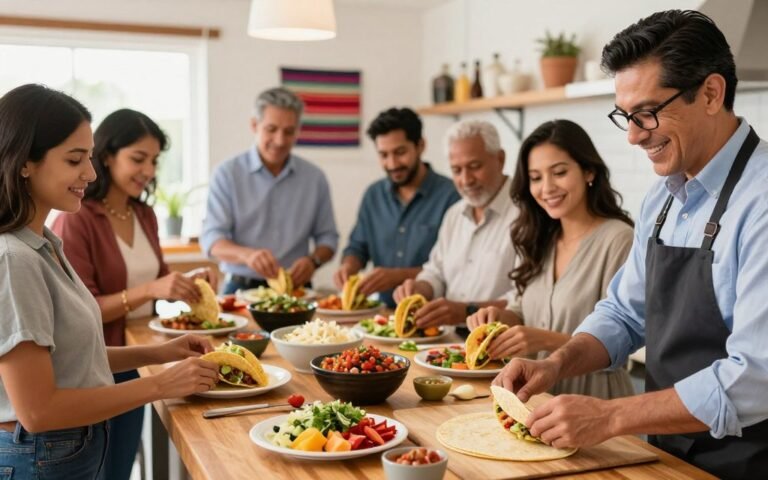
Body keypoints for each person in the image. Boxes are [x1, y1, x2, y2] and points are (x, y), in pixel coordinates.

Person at [492, 10, 768, 479]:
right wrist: (557, 364)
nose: (635, 135)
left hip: (745, 462)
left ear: (711, 93)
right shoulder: (664, 194)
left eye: (647, 113)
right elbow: (624, 312)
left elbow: (756, 378)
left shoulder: (760, 201)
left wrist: (611, 415)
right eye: (626, 115)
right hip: (665, 453)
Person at [0, 84, 218, 479]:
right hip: (41, 455)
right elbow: (37, 411)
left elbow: (73, 356)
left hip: (66, 449)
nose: (91, 172)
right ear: (24, 162)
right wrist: (160, 385)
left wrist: (160, 354)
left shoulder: (44, 244)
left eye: (89, 157)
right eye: (74, 160)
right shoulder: (13, 259)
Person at [467, 119, 635, 400]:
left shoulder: (619, 240)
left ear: (588, 171)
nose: (546, 188)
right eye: (535, 177)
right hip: (532, 402)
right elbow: (522, 309)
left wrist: (543, 339)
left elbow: (624, 344)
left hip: (593, 403)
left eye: (558, 172)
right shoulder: (539, 237)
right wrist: (501, 319)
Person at [201, 87, 339, 294]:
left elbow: (328, 238)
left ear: (298, 131)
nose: (280, 140)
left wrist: (314, 261)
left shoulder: (315, 178)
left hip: (297, 290)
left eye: (289, 131)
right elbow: (212, 239)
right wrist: (247, 255)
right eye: (271, 129)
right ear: (254, 125)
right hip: (240, 289)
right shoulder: (227, 174)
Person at [393, 120, 516, 328]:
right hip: (447, 342)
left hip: (499, 345)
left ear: (500, 159)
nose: (466, 179)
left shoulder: (527, 216)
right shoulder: (454, 214)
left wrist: (463, 312)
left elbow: (526, 300)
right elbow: (436, 272)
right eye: (457, 170)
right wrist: (421, 287)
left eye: (475, 167)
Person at [333, 107, 459, 307]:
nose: (392, 164)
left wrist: (398, 276)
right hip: (381, 314)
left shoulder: (453, 196)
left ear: (420, 145)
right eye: (383, 155)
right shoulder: (373, 195)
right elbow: (358, 247)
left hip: (435, 315)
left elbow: (455, 268)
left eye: (400, 152)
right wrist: (348, 266)